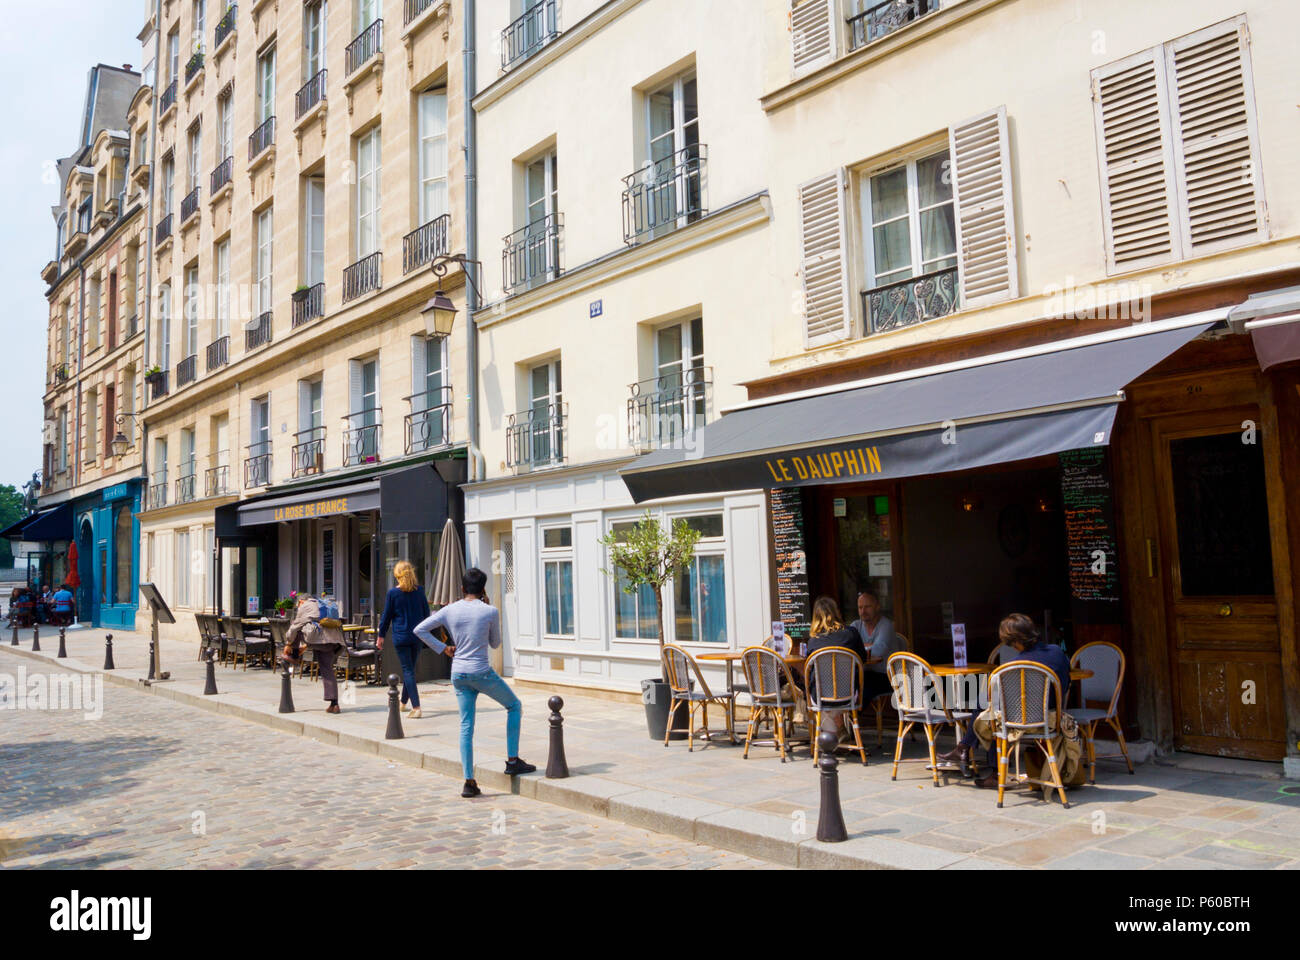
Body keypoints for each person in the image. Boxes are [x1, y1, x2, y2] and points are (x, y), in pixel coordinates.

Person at [414, 568, 535, 798]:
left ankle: (469, 781)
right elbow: (496, 643)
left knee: (466, 726)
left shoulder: (449, 609)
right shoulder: (489, 611)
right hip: (481, 672)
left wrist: (443, 648)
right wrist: (489, 614)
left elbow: (419, 629)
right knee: (514, 706)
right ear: (482, 590)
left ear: (462, 589)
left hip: (458, 673)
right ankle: (512, 760)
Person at [938, 613, 1081, 788]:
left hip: (1026, 721)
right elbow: (1065, 685)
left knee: (989, 712)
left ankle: (976, 758)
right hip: (1052, 717)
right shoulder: (1057, 652)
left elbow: (998, 696)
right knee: (989, 706)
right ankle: (964, 749)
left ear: (1013, 641)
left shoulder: (1013, 666)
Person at [801, 596, 869, 738]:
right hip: (849, 695)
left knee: (810, 690)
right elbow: (862, 659)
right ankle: (839, 729)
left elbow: (810, 670)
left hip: (821, 697)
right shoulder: (851, 633)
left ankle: (832, 736)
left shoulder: (814, 641)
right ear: (836, 612)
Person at [377, 561, 432, 719]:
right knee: (410, 671)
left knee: (408, 671)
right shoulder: (420, 591)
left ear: (397, 575)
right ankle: (402, 703)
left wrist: (381, 636)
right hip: (417, 636)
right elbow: (426, 614)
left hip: (401, 636)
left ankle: (416, 707)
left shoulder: (393, 594)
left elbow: (386, 617)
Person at [282, 593, 345, 714]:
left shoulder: (305, 606)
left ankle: (295, 657)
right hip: (333, 641)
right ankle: (334, 704)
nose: (298, 607)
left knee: (296, 629)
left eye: (297, 605)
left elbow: (295, 627)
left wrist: (288, 644)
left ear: (301, 601)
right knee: (327, 669)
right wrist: (305, 647)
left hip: (318, 639)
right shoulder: (322, 604)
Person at [849, 590, 903, 700]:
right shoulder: (855, 625)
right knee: (847, 682)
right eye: (860, 607)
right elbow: (848, 649)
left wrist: (859, 646)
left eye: (867, 607)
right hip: (865, 673)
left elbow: (878, 651)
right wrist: (869, 645)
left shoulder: (886, 625)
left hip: (887, 676)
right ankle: (846, 714)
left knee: (862, 686)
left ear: (877, 607)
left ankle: (851, 715)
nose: (863, 611)